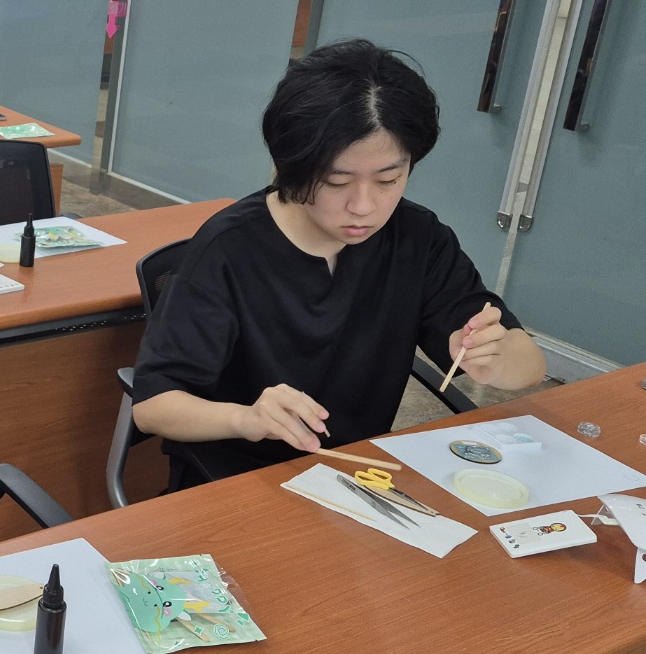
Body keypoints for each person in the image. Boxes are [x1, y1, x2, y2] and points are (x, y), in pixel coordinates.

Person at [131, 39, 546, 490]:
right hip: (233, 484)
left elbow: (529, 366)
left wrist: (494, 358)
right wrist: (247, 418)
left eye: (389, 179)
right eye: (336, 181)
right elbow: (153, 406)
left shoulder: (417, 238)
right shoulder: (229, 249)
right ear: (292, 165)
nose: (364, 206)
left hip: (356, 478)